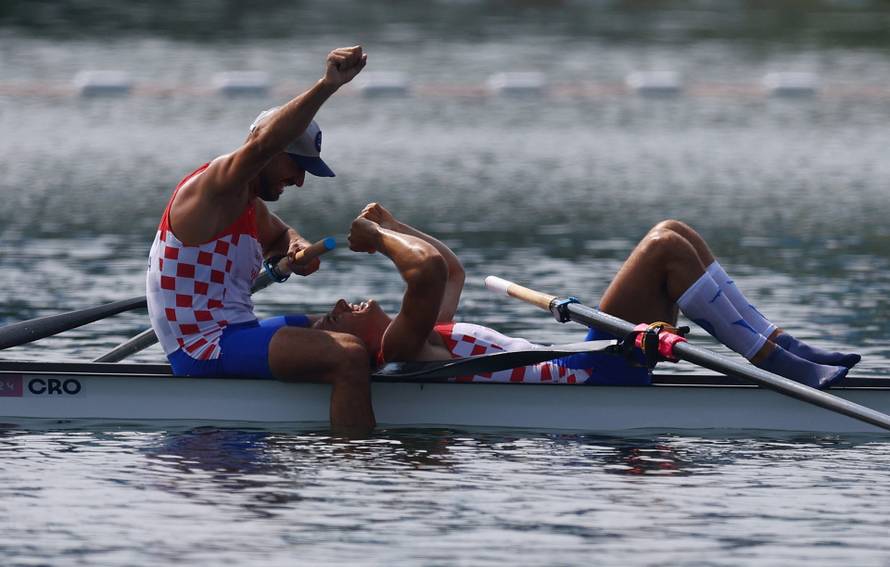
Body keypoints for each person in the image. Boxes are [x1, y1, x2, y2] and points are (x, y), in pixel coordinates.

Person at [314, 203, 859, 389]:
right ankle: (781, 365)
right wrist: (382, 241)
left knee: (674, 231)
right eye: (332, 319)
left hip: (587, 361)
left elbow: (450, 271)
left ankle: (787, 350)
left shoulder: (427, 332)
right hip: (588, 374)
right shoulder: (402, 346)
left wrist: (394, 221)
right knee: (664, 246)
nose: (340, 306)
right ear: (354, 345)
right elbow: (427, 271)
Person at [146, 46, 376, 431]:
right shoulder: (213, 189)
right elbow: (262, 145)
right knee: (349, 355)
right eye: (297, 165)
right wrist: (327, 86)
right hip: (204, 347)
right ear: (264, 148)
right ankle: (353, 471)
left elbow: (281, 234)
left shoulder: (249, 205)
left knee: (347, 329)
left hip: (238, 332)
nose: (300, 181)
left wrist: (295, 245)